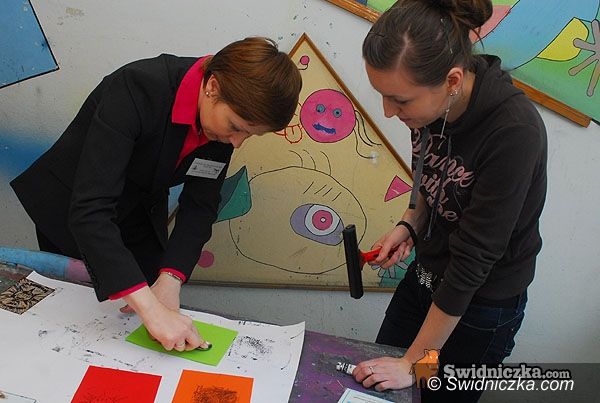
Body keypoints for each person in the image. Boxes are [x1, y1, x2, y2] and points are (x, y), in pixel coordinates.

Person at [10, 37, 302, 353]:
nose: (237, 142)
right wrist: (149, 307)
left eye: (250, 135)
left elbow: (200, 206)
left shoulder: (222, 128)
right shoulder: (137, 87)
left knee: (135, 322)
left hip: (138, 211)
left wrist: (170, 280)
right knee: (73, 321)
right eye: (236, 126)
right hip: (74, 210)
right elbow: (90, 209)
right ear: (212, 87)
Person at [351, 1, 547, 401]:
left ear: (452, 80)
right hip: (426, 279)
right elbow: (433, 181)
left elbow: (473, 261)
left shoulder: (514, 132)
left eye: (400, 100)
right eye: (383, 96)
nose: (388, 112)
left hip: (478, 305)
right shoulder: (430, 108)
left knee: (429, 392)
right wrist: (410, 223)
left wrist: (415, 362)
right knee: (379, 389)